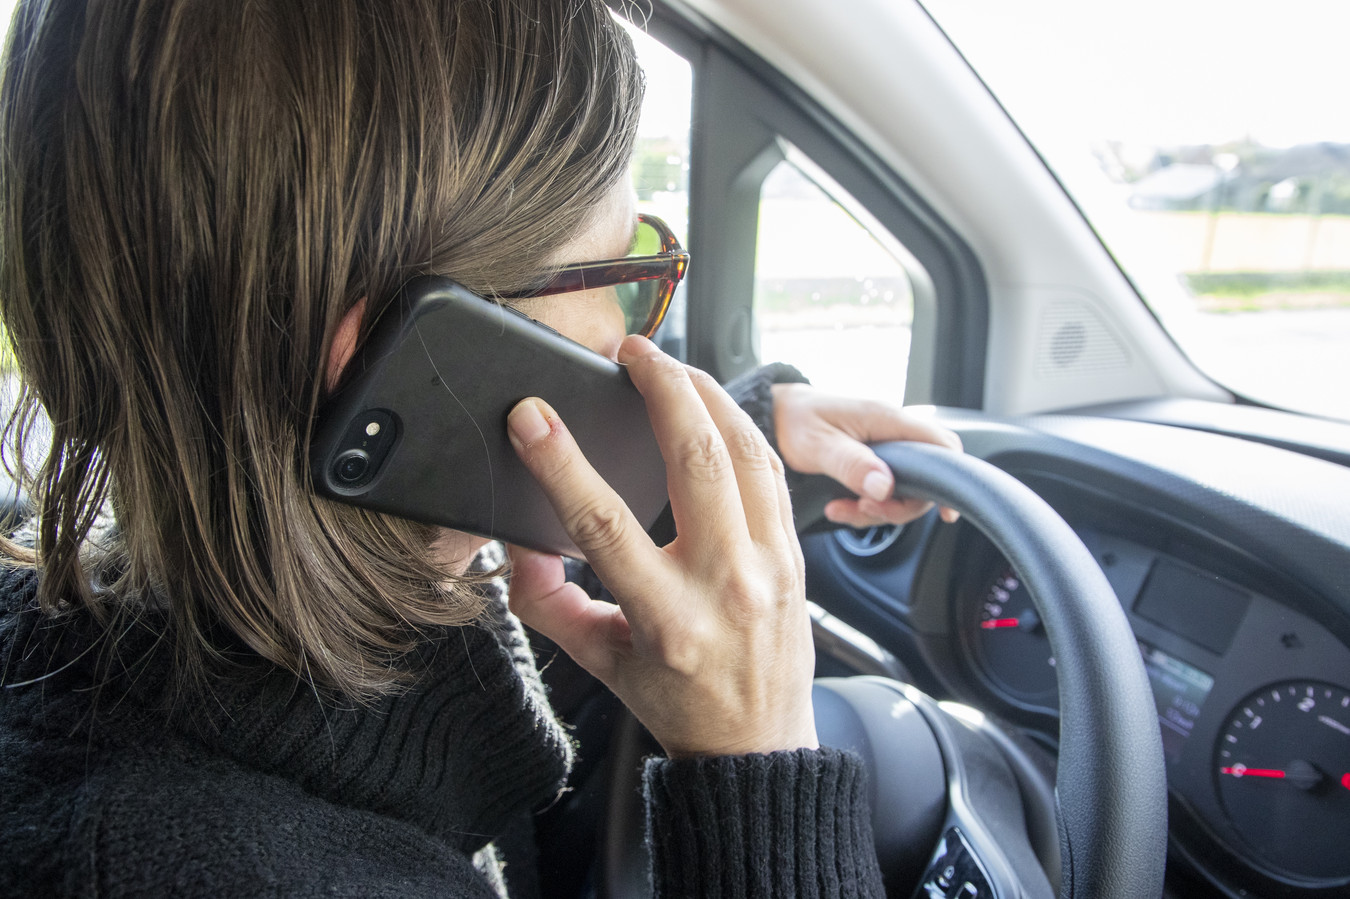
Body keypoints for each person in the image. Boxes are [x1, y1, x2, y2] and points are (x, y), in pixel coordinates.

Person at [0, 1, 961, 896]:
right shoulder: (211, 869)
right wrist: (761, 768)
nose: (639, 332)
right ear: (397, 359)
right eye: (629, 271)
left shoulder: (171, 620)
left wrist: (718, 459)